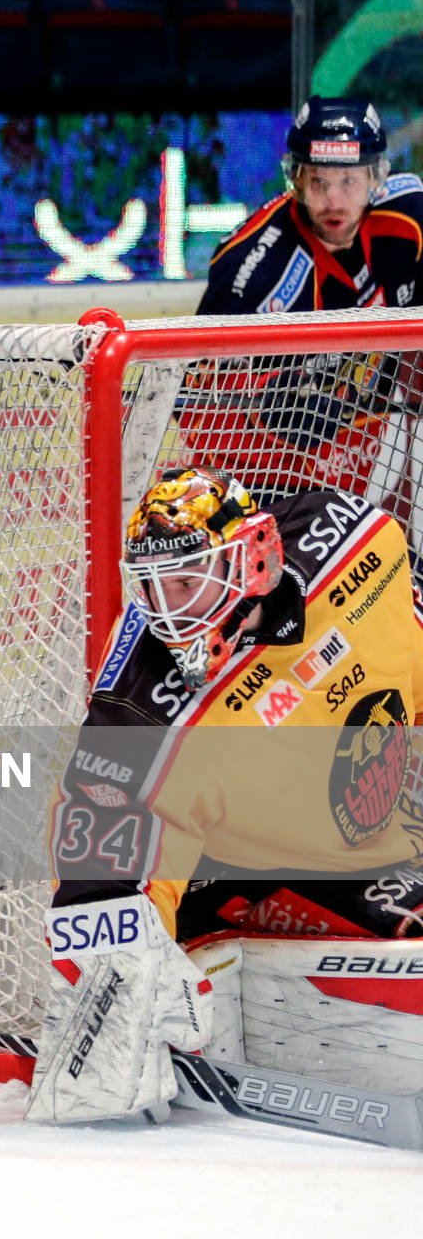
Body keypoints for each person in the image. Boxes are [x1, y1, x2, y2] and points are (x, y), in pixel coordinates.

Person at [30, 467, 423, 1125]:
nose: (169, 609)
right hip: (249, 879)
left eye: (187, 581)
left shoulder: (357, 541)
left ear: (254, 562)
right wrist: (117, 991)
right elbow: (96, 872)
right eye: (152, 586)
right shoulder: (140, 712)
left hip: (374, 830)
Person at [198, 97, 423, 314]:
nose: (333, 202)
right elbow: (208, 340)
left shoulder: (410, 210)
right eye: (318, 181)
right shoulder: (252, 275)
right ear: (297, 180)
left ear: (375, 179)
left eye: (348, 181)